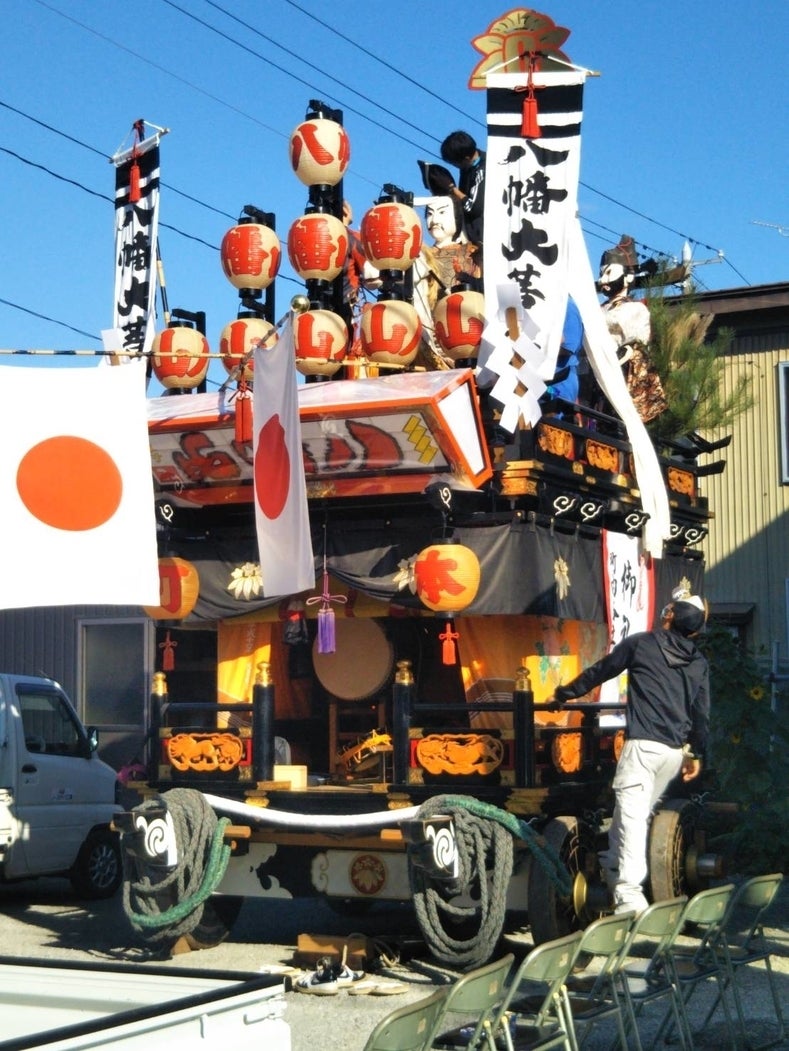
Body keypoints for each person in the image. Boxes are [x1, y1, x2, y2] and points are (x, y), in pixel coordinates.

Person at [545, 594, 710, 916]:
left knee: (633, 821)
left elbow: (601, 671)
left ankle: (629, 896)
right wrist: (696, 753)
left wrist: (564, 694)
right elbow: (701, 714)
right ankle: (611, 867)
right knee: (632, 815)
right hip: (673, 753)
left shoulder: (642, 645)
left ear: (670, 616)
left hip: (643, 748)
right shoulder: (699, 662)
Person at [598, 235, 667, 423]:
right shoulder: (600, 309)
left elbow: (616, 328)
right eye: (602, 274)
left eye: (608, 273)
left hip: (623, 375)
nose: (602, 280)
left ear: (628, 276)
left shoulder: (636, 309)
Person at [423, 131, 486, 247]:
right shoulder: (466, 168)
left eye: (455, 163)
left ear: (466, 158)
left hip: (484, 237)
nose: (456, 166)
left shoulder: (483, 169)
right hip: (469, 236)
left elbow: (473, 208)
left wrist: (452, 188)